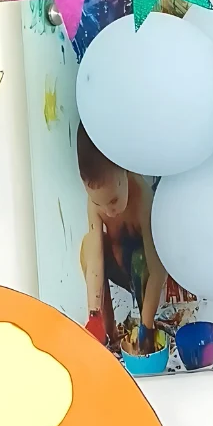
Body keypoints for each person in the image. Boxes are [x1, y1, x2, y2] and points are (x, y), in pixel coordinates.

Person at [76, 122, 168, 351]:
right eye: (98, 202)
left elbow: (158, 270)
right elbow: (95, 262)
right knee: (88, 246)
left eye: (114, 200)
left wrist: (146, 326)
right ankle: (107, 332)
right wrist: (94, 313)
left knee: (140, 259)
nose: (108, 211)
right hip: (118, 265)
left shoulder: (142, 198)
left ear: (125, 171)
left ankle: (145, 326)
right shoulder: (97, 203)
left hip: (145, 271)